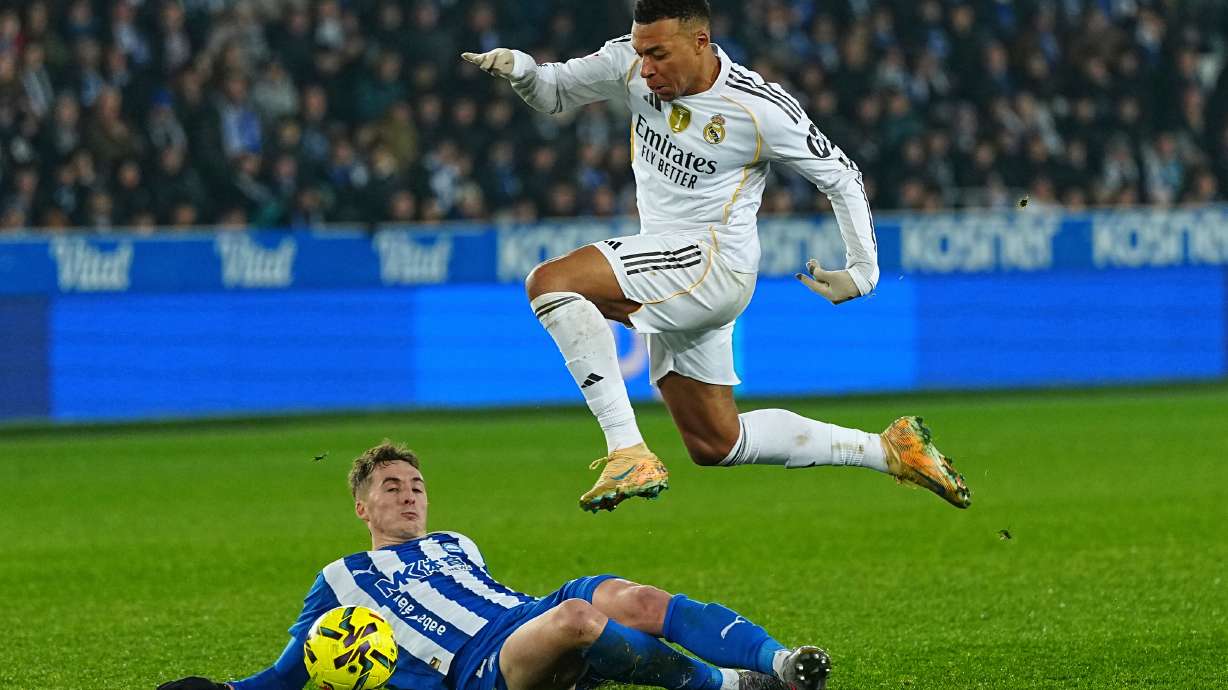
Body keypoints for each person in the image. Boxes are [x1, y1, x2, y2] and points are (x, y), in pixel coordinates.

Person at [461, 0, 971, 513]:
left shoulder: (758, 107)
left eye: (659, 54)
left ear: (700, 42)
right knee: (716, 443)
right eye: (641, 53)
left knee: (551, 283)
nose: (647, 68)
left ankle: (626, 450)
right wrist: (522, 69)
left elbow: (842, 176)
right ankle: (888, 450)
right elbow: (555, 92)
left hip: (711, 263)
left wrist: (862, 271)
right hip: (670, 262)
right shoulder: (629, 63)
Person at [156, 441, 833, 690]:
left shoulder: (457, 542)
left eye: (415, 486)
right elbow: (291, 671)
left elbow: (493, 595)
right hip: (483, 669)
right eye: (390, 488)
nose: (408, 495)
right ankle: (725, 685)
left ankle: (778, 662)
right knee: (574, 618)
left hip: (526, 615)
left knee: (635, 599)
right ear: (362, 507)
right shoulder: (340, 580)